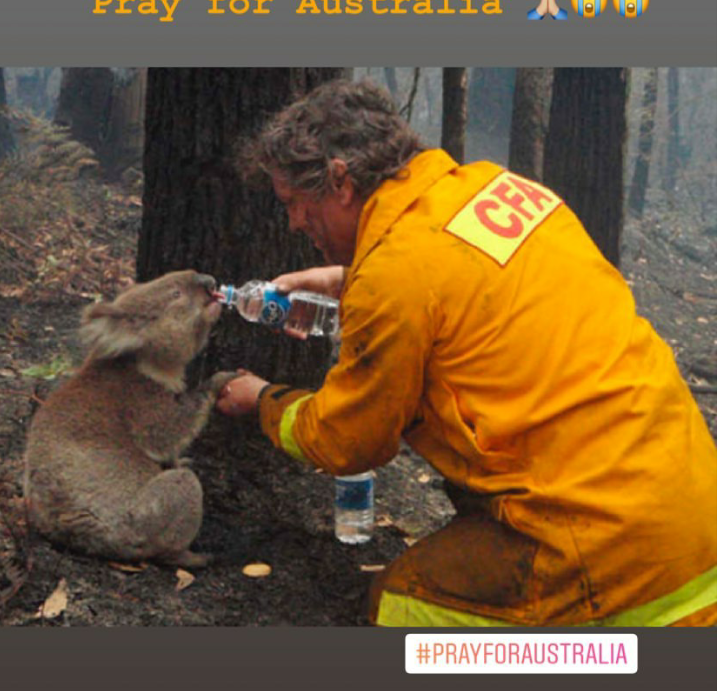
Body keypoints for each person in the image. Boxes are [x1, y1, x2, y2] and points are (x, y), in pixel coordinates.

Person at [216, 79, 717, 628]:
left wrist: (263, 399)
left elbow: (345, 439)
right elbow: (461, 280)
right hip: (692, 506)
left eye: (294, 203)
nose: (292, 223)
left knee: (400, 605)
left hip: (604, 544)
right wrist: (349, 280)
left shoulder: (397, 277)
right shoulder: (495, 188)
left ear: (339, 181)